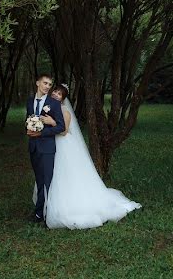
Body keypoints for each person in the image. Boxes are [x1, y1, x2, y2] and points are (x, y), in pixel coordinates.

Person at [33, 84, 141, 229]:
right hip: (49, 143)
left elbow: (64, 132)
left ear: (63, 98)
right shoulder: (47, 108)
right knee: (47, 173)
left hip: (63, 144)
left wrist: (52, 122)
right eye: (55, 92)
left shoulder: (64, 111)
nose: (56, 95)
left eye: (60, 94)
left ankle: (65, 208)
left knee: (64, 174)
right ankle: (45, 205)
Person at [25, 73, 65, 223]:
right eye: (45, 83)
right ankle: (41, 211)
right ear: (37, 83)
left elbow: (61, 127)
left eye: (49, 84)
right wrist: (28, 130)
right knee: (39, 179)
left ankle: (42, 214)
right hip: (33, 148)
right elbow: (28, 120)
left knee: (46, 181)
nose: (47, 86)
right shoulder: (29, 102)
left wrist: (42, 133)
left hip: (47, 148)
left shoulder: (53, 104)